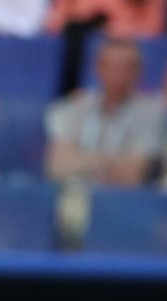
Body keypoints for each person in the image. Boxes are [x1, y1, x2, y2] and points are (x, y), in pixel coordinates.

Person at [45, 37, 163, 243]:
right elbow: (57, 166)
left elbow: (133, 176)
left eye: (127, 67)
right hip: (76, 210)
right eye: (112, 66)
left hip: (130, 213)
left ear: (139, 72)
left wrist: (82, 160)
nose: (119, 73)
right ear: (98, 68)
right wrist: (113, 162)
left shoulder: (153, 113)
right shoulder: (75, 107)